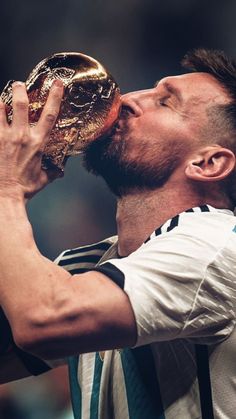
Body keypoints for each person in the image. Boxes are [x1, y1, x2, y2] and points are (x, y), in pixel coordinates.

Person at [0, 48, 236, 419]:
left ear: (208, 163)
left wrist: (8, 188)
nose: (125, 100)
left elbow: (41, 319)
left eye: (165, 102)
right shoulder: (87, 268)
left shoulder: (216, 247)